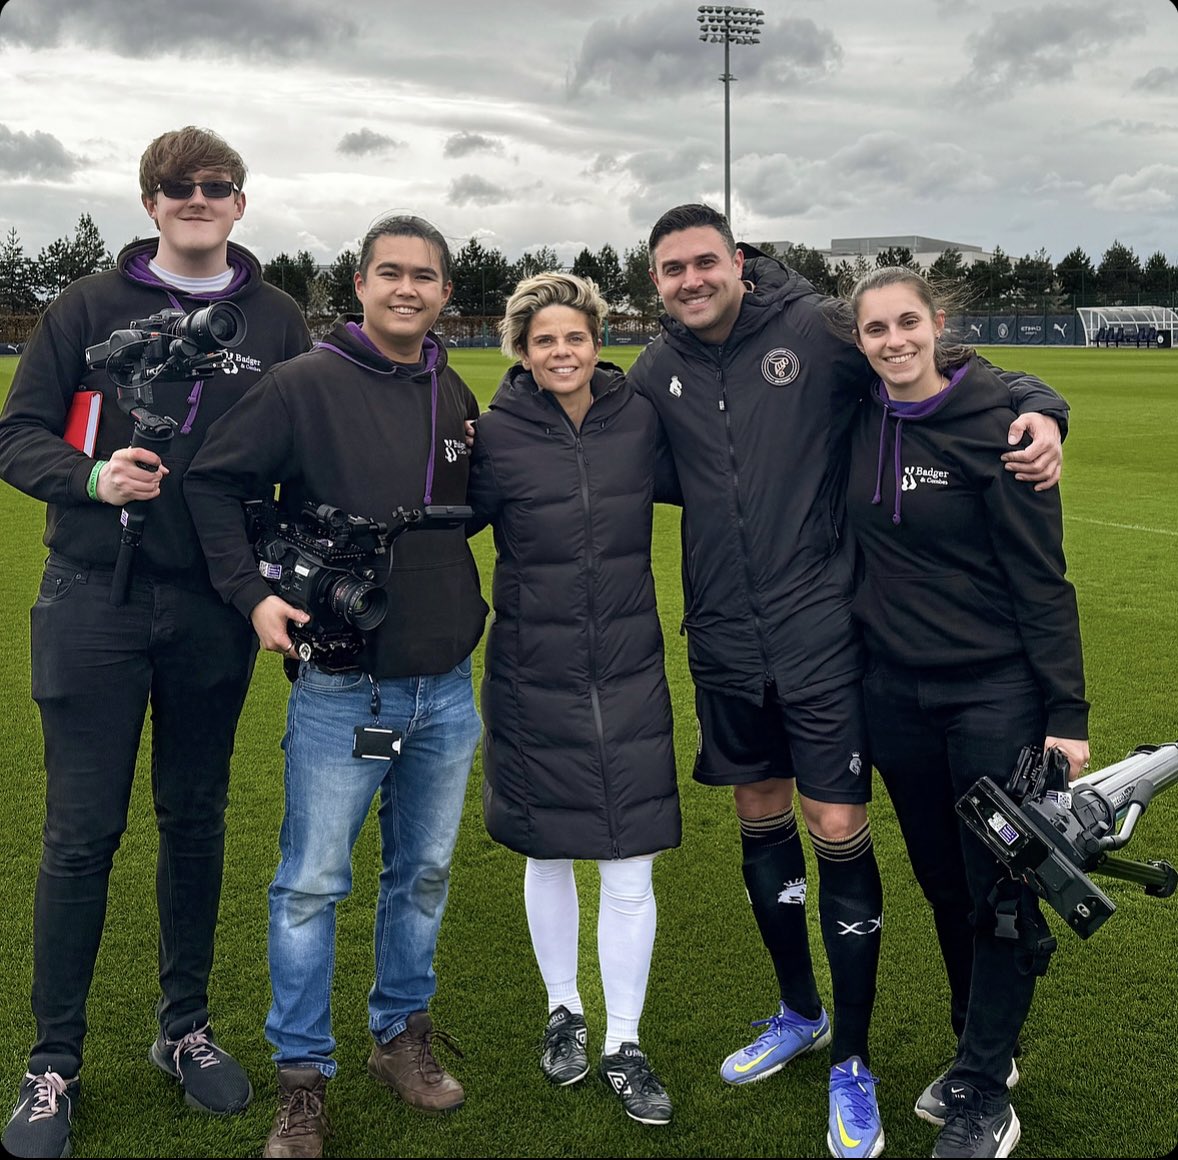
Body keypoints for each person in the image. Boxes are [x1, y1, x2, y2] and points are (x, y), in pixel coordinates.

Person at [625, 204, 1068, 1160]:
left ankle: (854, 1059)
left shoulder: (817, 329)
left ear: (738, 261)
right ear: (654, 280)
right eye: (672, 269)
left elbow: (925, 361)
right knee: (758, 813)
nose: (691, 280)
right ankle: (799, 1012)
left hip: (828, 637)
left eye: (706, 261)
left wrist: (1041, 401)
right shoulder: (654, 370)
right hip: (724, 641)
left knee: (838, 825)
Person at [0, 126, 311, 1160]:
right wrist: (92, 478)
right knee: (81, 833)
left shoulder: (274, 318)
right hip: (92, 594)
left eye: (215, 186)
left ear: (238, 201)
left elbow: (305, 447)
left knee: (194, 817)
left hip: (212, 604)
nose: (197, 199)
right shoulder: (85, 307)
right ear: (150, 202)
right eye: (177, 187)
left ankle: (182, 1028)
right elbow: (19, 433)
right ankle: (53, 1062)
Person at [184, 214, 486, 1158]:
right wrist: (253, 597)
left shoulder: (454, 391)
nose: (408, 289)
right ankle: (301, 1080)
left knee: (424, 874)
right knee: (312, 885)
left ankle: (400, 1037)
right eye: (389, 273)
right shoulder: (302, 383)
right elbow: (211, 483)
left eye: (425, 277)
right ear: (358, 284)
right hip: (346, 691)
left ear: (444, 293)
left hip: (445, 685)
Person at [835, 266, 1088, 1158]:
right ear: (858, 341)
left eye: (910, 323)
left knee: (1001, 893)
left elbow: (1042, 582)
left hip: (993, 694)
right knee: (945, 883)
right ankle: (987, 1044)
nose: (895, 341)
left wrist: (1067, 715)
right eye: (876, 330)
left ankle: (983, 1088)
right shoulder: (856, 412)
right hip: (893, 698)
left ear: (939, 325)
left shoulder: (1003, 429)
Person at [466, 272, 680, 1126]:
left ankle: (626, 1041)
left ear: (597, 340)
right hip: (530, 670)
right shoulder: (494, 432)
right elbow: (451, 519)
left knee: (631, 863)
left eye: (576, 336)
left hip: (628, 665)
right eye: (544, 340)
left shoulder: (640, 417)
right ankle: (566, 1012)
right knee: (546, 851)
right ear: (521, 349)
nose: (562, 352)